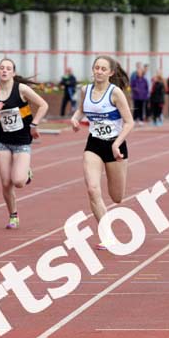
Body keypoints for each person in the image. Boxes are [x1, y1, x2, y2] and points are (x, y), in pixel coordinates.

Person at [70, 56, 134, 250]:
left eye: (103, 69)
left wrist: (117, 144)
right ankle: (108, 235)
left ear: (111, 73)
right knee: (92, 189)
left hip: (115, 147)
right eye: (96, 68)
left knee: (117, 197)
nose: (98, 71)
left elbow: (129, 122)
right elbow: (81, 109)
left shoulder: (115, 93)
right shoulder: (85, 90)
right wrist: (74, 119)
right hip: (94, 144)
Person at [0, 58, 49, 229]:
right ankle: (13, 215)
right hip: (3, 141)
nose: (4, 71)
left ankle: (26, 173)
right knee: (6, 183)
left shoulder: (21, 89)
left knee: (18, 181)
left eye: (8, 68)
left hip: (22, 140)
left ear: (13, 73)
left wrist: (34, 124)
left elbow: (43, 105)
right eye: (2, 68)